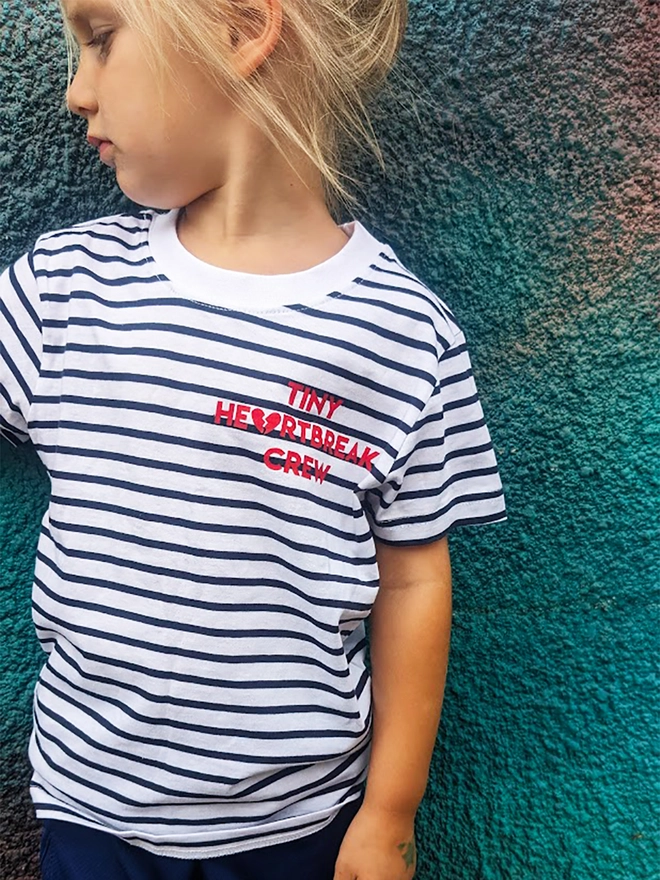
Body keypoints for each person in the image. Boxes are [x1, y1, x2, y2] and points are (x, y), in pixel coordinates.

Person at [0, 0, 506, 877]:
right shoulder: (64, 289)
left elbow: (417, 576)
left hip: (299, 828)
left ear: (242, 31)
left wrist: (390, 813)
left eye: (102, 38)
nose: (76, 92)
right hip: (91, 813)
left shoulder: (403, 333)